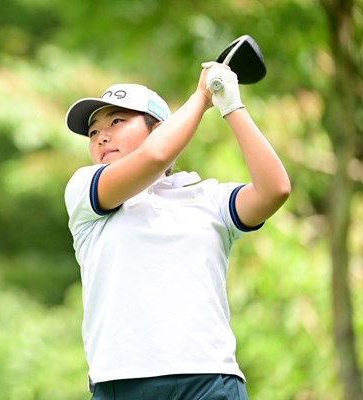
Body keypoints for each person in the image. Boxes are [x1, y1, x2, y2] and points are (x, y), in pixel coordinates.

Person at [63, 62, 291, 399]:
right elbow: (155, 156)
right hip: (120, 384)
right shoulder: (85, 190)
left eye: (116, 121)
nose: (102, 136)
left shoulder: (208, 198)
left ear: (158, 128)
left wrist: (230, 105)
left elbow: (274, 190)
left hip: (209, 381)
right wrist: (202, 97)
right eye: (94, 132)